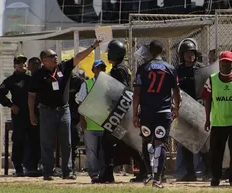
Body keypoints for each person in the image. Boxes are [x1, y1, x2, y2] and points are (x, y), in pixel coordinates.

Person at [28, 40, 101, 181]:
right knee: (47, 142)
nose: (56, 58)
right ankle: (48, 172)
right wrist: (32, 114)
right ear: (44, 61)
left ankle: (67, 171)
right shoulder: (38, 75)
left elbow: (79, 57)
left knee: (66, 142)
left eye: (56, 56)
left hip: (64, 111)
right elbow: (31, 95)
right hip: (46, 111)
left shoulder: (63, 67)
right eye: (52, 56)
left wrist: (93, 47)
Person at [93, 40, 147, 184]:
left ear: (115, 53)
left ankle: (107, 173)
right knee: (125, 143)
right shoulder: (122, 68)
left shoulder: (118, 70)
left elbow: (120, 89)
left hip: (119, 113)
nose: (107, 53)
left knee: (107, 141)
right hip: (122, 112)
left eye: (109, 51)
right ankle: (144, 170)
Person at [133, 40, 181, 188]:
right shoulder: (170, 68)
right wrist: (176, 108)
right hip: (164, 112)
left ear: (150, 52)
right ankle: (157, 178)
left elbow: (137, 94)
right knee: (160, 144)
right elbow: (177, 92)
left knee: (146, 141)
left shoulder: (143, 68)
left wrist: (135, 114)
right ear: (163, 52)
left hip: (147, 112)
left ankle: (148, 173)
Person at [201, 50, 232, 186]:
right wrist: (207, 119)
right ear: (220, 63)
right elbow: (207, 100)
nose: (225, 64)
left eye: (228, 62)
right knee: (216, 153)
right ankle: (216, 177)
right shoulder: (212, 79)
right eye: (222, 62)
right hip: (218, 122)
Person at [0, 55, 40, 176]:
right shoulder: (11, 80)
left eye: (24, 62)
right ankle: (18, 167)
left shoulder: (32, 78)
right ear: (14, 65)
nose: (22, 65)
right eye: (19, 63)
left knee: (35, 140)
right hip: (19, 115)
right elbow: (0, 94)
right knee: (18, 141)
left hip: (34, 115)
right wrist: (10, 105)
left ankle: (34, 166)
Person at [175, 38, 210, 181]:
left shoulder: (202, 69)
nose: (190, 56)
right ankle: (190, 173)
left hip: (199, 110)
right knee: (186, 143)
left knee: (202, 143)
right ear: (182, 55)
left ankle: (210, 169)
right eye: (187, 53)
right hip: (184, 110)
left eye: (192, 53)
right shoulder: (178, 70)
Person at [77, 60, 106, 181]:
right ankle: (94, 174)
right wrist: (82, 121)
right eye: (98, 68)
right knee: (91, 151)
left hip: (104, 124)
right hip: (90, 124)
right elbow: (81, 103)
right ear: (93, 70)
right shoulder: (86, 84)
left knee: (103, 152)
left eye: (103, 69)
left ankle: (103, 174)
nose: (100, 71)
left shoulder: (108, 84)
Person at [23, 57, 42, 176]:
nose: (35, 66)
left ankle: (40, 164)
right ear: (28, 67)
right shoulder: (25, 80)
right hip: (28, 115)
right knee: (29, 140)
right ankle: (29, 166)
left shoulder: (43, 78)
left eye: (37, 64)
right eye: (32, 64)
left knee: (42, 141)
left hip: (43, 114)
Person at [69, 71, 85, 172]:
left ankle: (71, 164)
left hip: (75, 117)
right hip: (60, 114)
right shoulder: (59, 79)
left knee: (74, 138)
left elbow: (82, 99)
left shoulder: (78, 81)